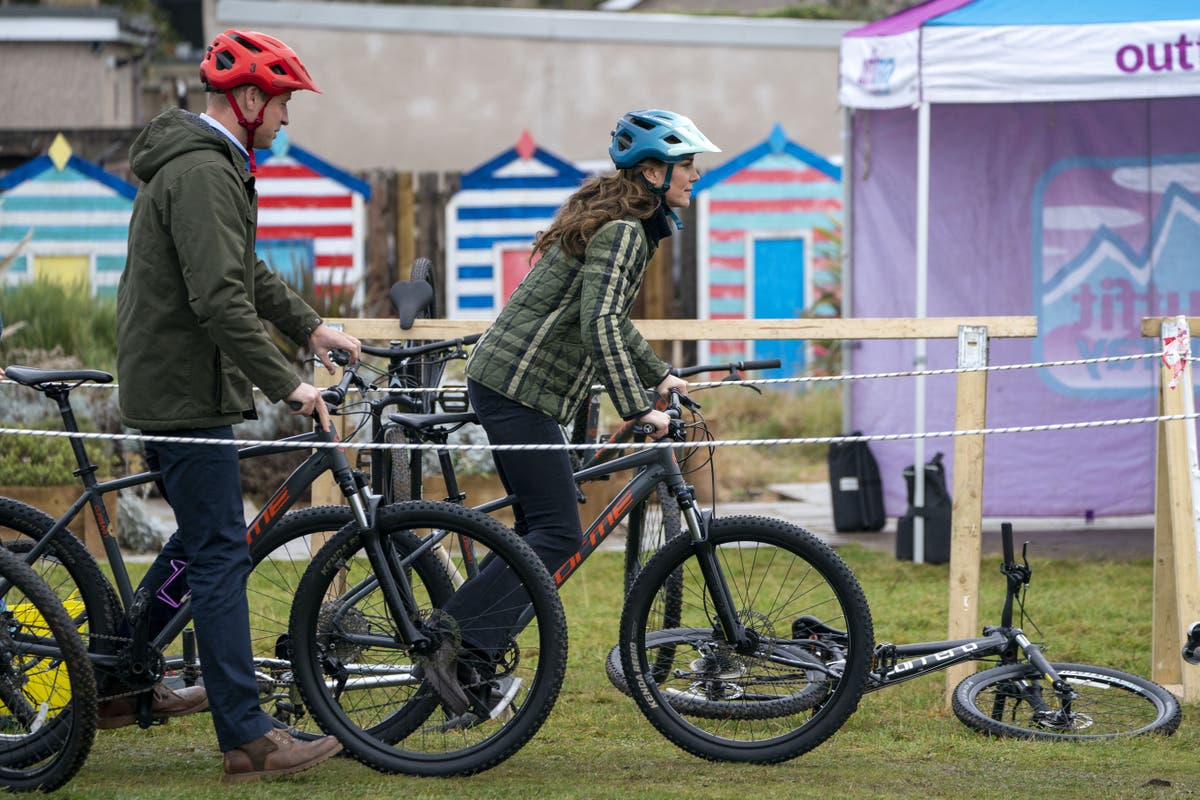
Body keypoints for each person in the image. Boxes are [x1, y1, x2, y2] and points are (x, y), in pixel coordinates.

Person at [115, 29, 359, 782]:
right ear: (249, 98)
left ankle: (118, 678)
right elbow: (219, 300)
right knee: (221, 555)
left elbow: (242, 270)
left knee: (200, 543)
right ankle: (248, 738)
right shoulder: (201, 170)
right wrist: (289, 385)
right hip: (184, 394)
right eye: (283, 103)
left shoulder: (210, 164)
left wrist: (310, 327)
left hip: (179, 387)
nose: (287, 118)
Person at [418, 109, 719, 717]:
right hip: (516, 390)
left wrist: (658, 374)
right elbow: (599, 322)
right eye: (687, 165)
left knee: (538, 533)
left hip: (510, 386)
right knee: (558, 533)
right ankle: (448, 643)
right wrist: (639, 409)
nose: (695, 175)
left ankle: (468, 660)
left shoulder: (625, 225)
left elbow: (609, 319)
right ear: (653, 172)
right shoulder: (626, 232)